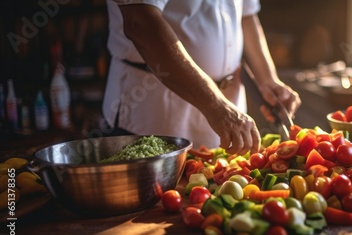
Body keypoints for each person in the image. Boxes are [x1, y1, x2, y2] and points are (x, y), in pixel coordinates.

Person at [103, 0, 301, 155]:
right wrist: (215, 105)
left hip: (228, 108)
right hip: (156, 112)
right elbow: (141, 22)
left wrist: (267, 79)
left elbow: (246, 15)